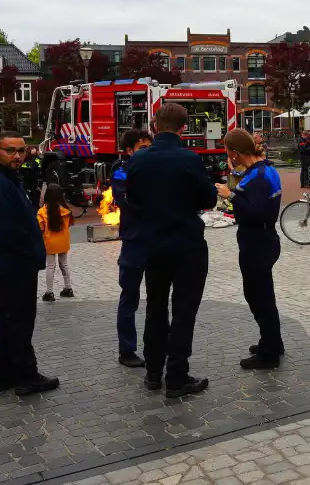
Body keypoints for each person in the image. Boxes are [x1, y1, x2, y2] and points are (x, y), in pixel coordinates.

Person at [126, 103, 217, 398]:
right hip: (187, 244)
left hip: (153, 242)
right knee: (183, 310)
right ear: (183, 127)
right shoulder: (189, 159)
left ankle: (153, 372)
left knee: (155, 307)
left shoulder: (139, 159)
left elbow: (133, 200)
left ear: (154, 125)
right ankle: (177, 376)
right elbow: (208, 198)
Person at [0, 131, 58, 395]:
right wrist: (29, 253)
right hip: (15, 264)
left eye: (21, 151)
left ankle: (3, 374)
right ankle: (26, 376)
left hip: (13, 262)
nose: (17, 156)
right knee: (20, 320)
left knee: (8, 319)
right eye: (10, 151)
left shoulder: (8, 179)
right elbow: (7, 229)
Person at [215, 129, 284, 370]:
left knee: (257, 296)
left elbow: (253, 212)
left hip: (257, 241)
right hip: (266, 239)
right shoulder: (266, 169)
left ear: (234, 152)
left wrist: (230, 194)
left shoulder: (256, 177)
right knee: (266, 294)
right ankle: (273, 341)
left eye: (227, 151)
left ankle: (269, 354)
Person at [113, 129, 152, 368]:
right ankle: (126, 350)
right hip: (134, 242)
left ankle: (160, 342)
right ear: (129, 151)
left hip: (156, 240)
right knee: (130, 296)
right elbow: (125, 201)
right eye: (142, 148)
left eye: (150, 147)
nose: (147, 153)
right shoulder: (121, 172)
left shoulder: (157, 170)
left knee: (158, 298)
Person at [38, 183, 76, 302]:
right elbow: (70, 224)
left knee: (50, 266)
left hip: (49, 242)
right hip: (63, 242)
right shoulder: (66, 210)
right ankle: (68, 288)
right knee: (63, 264)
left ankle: (49, 292)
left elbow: (40, 227)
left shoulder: (42, 212)